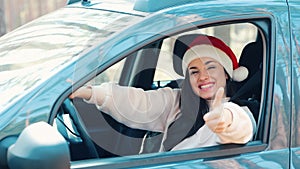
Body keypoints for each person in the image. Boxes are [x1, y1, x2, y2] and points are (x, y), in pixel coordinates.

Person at [69, 34, 256, 153]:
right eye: (194, 71)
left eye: (211, 67)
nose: (203, 77)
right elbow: (137, 102)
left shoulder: (239, 110)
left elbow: (242, 128)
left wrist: (225, 120)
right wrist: (89, 92)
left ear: (226, 72)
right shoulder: (177, 101)